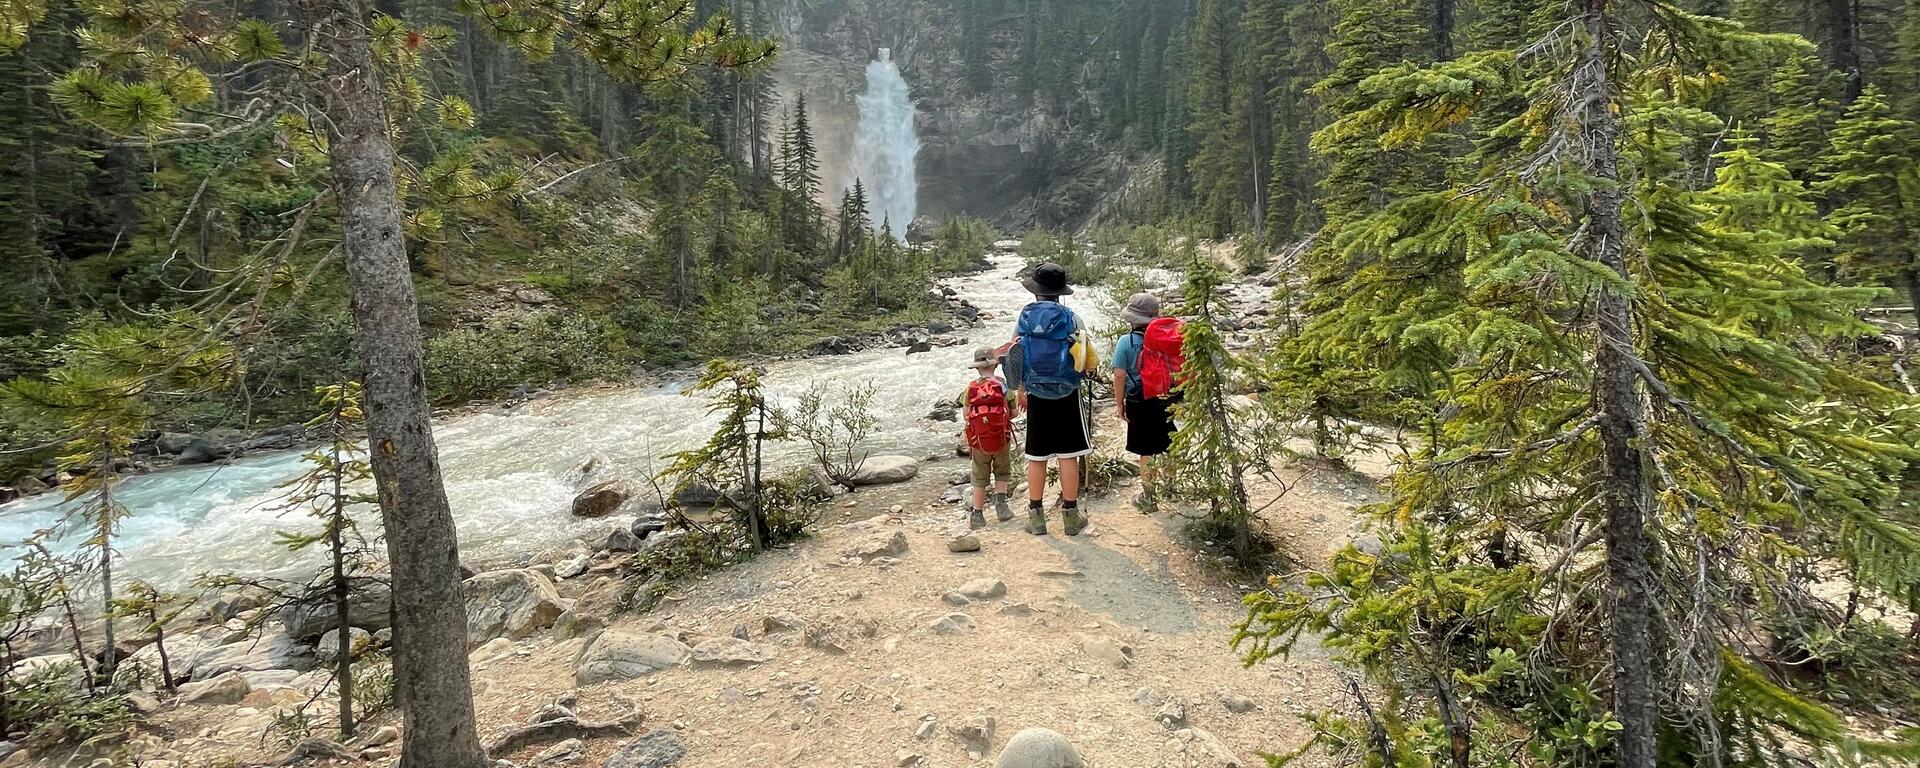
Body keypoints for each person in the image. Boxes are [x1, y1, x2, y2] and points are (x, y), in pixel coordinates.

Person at [1004, 262, 1100, 536]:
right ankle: (1070, 516)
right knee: (1068, 455)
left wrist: (1020, 388)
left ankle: (1036, 518)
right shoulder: (1072, 317)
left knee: (1036, 455)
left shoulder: (1024, 317)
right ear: (1060, 292)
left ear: (1036, 291)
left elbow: (1014, 354)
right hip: (1067, 393)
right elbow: (1086, 358)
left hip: (1036, 394)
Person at [1110, 292, 1183, 513]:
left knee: (1146, 450)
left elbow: (1119, 375)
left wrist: (1119, 403)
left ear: (1132, 319)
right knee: (1169, 442)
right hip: (1165, 397)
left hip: (1138, 400)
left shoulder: (1126, 341)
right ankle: (1171, 487)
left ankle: (1149, 497)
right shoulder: (1166, 339)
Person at [959, 345, 1017, 529]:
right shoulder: (1003, 385)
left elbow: (966, 414)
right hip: (1001, 437)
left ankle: (977, 514)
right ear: (995, 365)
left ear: (976, 368)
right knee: (1002, 471)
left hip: (978, 441)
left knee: (979, 476)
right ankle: (1001, 507)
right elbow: (1014, 413)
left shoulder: (970, 388)